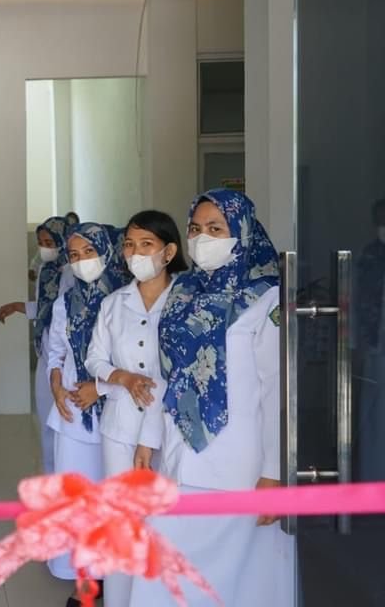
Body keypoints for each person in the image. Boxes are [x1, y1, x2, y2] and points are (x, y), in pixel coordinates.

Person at [128, 189, 294, 607]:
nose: (203, 238)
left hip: (238, 462)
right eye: (196, 229)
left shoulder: (265, 298)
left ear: (241, 232)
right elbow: (168, 373)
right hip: (180, 452)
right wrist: (149, 437)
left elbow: (278, 391)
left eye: (215, 228)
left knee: (236, 578)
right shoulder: (182, 291)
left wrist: (274, 474)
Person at [83, 210, 187, 607]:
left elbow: (180, 371)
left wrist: (150, 437)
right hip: (119, 426)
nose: (135, 252)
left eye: (146, 244)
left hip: (170, 430)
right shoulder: (113, 303)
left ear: (169, 251)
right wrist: (121, 377)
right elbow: (94, 360)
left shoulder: (185, 301)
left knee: (162, 522)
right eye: (129, 244)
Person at [44, 222, 130, 606]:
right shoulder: (68, 301)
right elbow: (56, 351)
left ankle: (119, 580)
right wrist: (57, 385)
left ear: (108, 252)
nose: (81, 263)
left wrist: (102, 389)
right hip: (76, 413)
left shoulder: (128, 299)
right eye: (74, 256)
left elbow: (141, 365)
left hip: (120, 413)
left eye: (88, 253)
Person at [0, 217, 75, 474]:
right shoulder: (46, 270)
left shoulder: (75, 272)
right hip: (46, 350)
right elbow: (44, 308)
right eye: (41, 243)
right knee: (46, 417)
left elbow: (66, 313)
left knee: (67, 418)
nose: (44, 248)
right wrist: (18, 307)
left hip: (68, 354)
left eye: (49, 242)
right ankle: (51, 474)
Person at [357, 198, 385, 481]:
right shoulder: (370, 256)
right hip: (376, 347)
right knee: (375, 417)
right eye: (380, 221)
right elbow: (360, 301)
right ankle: (374, 480)